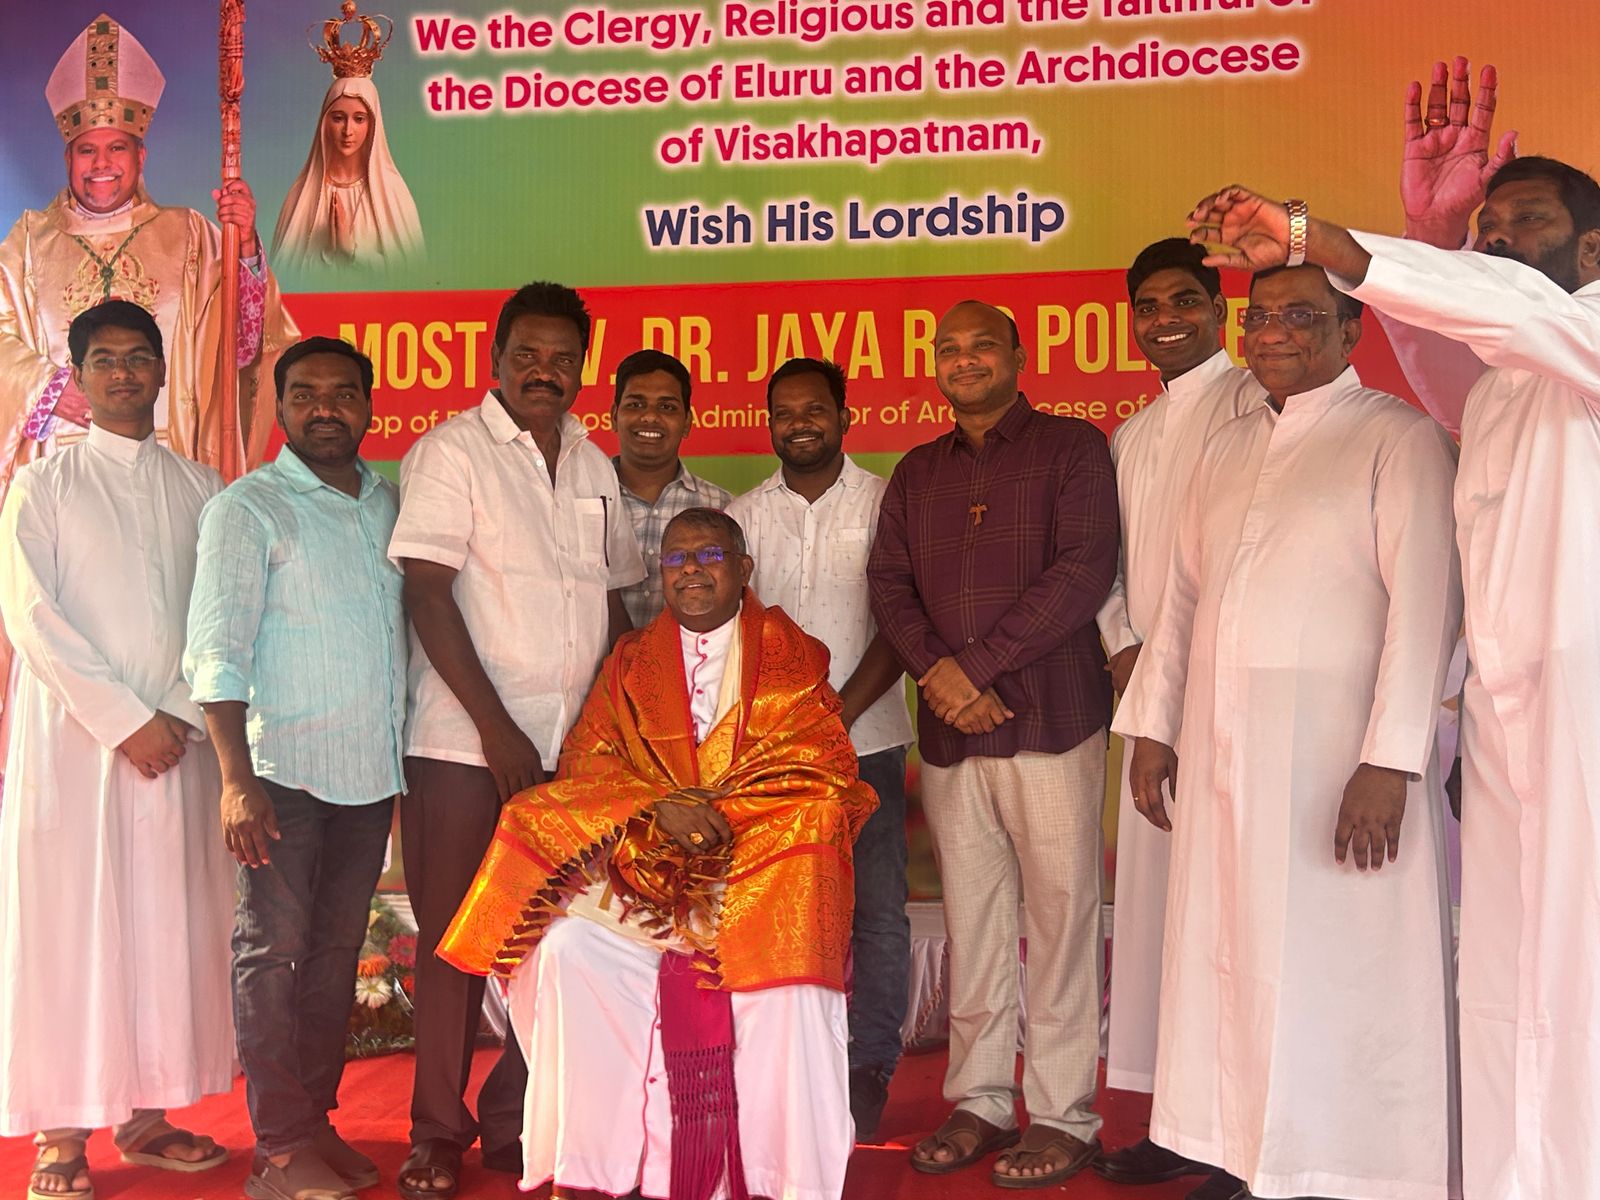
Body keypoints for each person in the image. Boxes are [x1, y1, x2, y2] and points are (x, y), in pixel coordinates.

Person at [1182, 61, 1600, 1198]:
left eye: (1528, 223)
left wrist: (1317, 238)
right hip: (1512, 713)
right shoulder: (1513, 372)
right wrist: (1433, 238)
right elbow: (1452, 354)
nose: (1501, 242)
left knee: (1578, 972)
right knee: (1505, 976)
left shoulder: (1584, 328)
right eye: (1490, 227)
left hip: (1584, 710)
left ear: (1592, 250)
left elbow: (1509, 310)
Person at [1114, 264, 1462, 1200]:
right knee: (1230, 955)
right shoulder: (1226, 448)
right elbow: (1182, 602)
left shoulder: (1398, 437)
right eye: (1261, 315)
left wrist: (1388, 759)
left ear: (1351, 331)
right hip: (1222, 749)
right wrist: (1154, 726)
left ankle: (1345, 1165)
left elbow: (1426, 605)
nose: (1274, 331)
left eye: (1302, 314)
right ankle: (1244, 1154)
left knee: (1334, 963)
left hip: (1336, 759)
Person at [438, 506, 877, 1200]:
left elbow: (824, 775)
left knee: (789, 975)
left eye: (709, 556)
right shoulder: (631, 663)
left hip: (758, 875)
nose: (691, 570)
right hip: (647, 869)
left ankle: (774, 1180)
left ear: (744, 569)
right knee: (566, 948)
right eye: (676, 559)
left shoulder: (793, 660)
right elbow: (588, 765)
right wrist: (659, 809)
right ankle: (596, 1172)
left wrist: (722, 817)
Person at [388, 282, 645, 1200]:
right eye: (527, 355)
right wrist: (498, 729)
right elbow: (426, 593)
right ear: (495, 360)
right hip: (466, 748)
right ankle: (435, 1134)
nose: (545, 372)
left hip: (573, 756)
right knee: (458, 943)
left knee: (560, 941)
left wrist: (616, 729)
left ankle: (513, 1118)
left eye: (563, 359)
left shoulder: (593, 464)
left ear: (583, 369)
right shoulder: (450, 452)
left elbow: (613, 603)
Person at [0, 13, 297, 766]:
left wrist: (245, 248)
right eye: (87, 150)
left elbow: (245, 345)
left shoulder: (191, 236)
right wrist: (46, 389)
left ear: (141, 152)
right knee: (65, 652)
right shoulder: (26, 245)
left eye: (117, 148)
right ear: (68, 154)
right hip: (64, 493)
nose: (102, 165)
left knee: (172, 639)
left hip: (172, 480)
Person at [869, 301, 1119, 1188]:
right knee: (973, 922)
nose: (964, 359)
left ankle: (1061, 1113)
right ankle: (978, 1098)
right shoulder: (916, 471)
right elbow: (888, 585)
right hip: (952, 733)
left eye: (982, 345)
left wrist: (972, 668)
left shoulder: (1073, 448)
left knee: (1060, 919)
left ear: (1018, 355)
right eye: (949, 348)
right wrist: (941, 676)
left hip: (1052, 719)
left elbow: (1083, 571)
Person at [0, 300, 232, 1200]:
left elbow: (220, 614)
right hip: (78, 750)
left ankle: (145, 1116)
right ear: (80, 378)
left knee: (163, 925)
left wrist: (173, 711)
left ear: (163, 372)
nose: (125, 373)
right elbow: (31, 616)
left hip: (179, 744)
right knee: (70, 928)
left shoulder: (204, 488)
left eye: (140, 357)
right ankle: (60, 1135)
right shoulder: (43, 486)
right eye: (105, 360)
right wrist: (125, 720)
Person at [185, 335, 406, 1200]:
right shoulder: (248, 509)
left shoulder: (386, 503)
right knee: (272, 953)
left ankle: (313, 1122)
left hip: (368, 774)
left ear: (368, 406)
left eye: (343, 393)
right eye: (305, 394)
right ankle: (279, 1149)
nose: (325, 409)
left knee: (334, 954)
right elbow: (216, 650)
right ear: (279, 408)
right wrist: (236, 781)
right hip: (281, 774)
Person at [1092, 240, 1265, 1194]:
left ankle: (1246, 1132)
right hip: (1151, 699)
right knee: (1162, 916)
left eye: (1186, 301)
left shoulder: (1260, 403)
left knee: (1234, 912)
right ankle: (1178, 1119)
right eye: (1149, 305)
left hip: (1239, 693)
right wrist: (1126, 651)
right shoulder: (1132, 435)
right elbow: (1108, 566)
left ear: (1220, 311)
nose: (1167, 319)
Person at [727, 356, 914, 1140]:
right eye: (784, 412)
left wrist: (836, 714)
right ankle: (780, 1062)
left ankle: (867, 1066)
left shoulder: (886, 503)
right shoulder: (741, 517)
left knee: (876, 912)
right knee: (775, 911)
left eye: (814, 410)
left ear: (844, 417)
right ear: (767, 423)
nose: (799, 424)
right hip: (768, 755)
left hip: (866, 745)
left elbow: (902, 623)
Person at [611, 348, 732, 629]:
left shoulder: (722, 508)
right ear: (614, 416)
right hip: (592, 659)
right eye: (636, 404)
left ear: (687, 422)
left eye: (666, 407)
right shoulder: (581, 499)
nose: (650, 417)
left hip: (693, 659)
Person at [271, 55, 424, 271]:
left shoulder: (392, 192)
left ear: (373, 124)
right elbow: (282, 277)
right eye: (338, 118)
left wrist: (351, 251)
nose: (348, 130)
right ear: (325, 123)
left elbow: (413, 275)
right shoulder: (302, 194)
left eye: (359, 119)